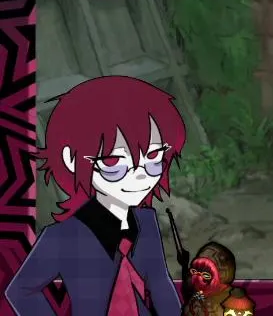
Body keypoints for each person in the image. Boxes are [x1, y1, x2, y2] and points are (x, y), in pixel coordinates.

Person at [5, 76, 186, 316]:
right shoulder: (63, 237)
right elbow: (21, 290)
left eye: (153, 158)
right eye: (114, 163)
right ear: (71, 159)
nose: (139, 176)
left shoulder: (147, 222)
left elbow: (160, 283)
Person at [181, 243, 237, 316]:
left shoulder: (232, 296)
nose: (199, 277)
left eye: (206, 274)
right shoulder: (197, 293)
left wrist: (217, 311)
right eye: (196, 271)